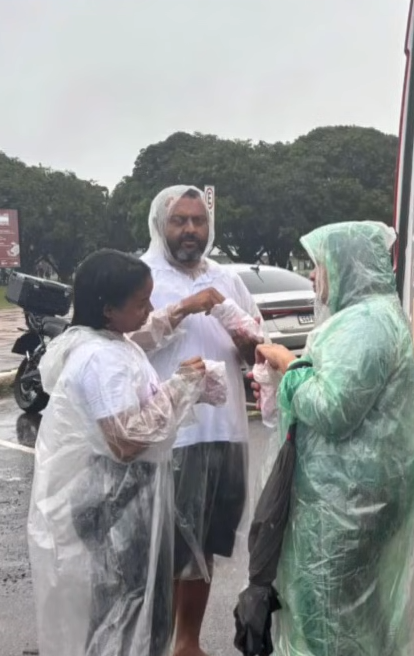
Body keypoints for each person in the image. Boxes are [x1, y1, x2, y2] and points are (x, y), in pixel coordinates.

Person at [27, 248, 226, 656]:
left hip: (125, 499)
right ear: (107, 309)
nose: (148, 309)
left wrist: (188, 388)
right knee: (127, 615)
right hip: (115, 502)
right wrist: (180, 387)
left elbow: (138, 413)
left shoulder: (114, 345)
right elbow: (126, 441)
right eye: (140, 303)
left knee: (134, 609)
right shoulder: (100, 359)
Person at [252, 220, 414, 656]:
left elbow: (333, 409)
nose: (313, 276)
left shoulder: (366, 324)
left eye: (318, 265)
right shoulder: (368, 317)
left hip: (346, 501)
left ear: (345, 265)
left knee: (325, 613)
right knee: (355, 611)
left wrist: (288, 363)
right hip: (354, 493)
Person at [129, 184, 264, 656]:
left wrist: (250, 345)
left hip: (225, 430)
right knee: (165, 546)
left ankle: (188, 641)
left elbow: (255, 342)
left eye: (198, 221)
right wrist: (184, 308)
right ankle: (155, 641)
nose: (190, 230)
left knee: (203, 541)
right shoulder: (142, 275)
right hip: (171, 434)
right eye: (180, 221)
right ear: (159, 224)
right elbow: (124, 340)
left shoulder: (228, 279)